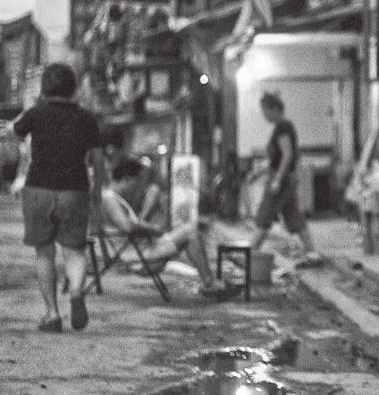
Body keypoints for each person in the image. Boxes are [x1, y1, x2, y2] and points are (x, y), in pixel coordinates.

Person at [11, 63, 106, 333]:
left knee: (44, 253)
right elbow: (98, 161)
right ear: (74, 88)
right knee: (75, 251)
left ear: (44, 88)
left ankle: (52, 314)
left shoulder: (36, 114)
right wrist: (96, 195)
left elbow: (16, 132)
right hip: (74, 190)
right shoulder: (86, 119)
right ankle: (76, 291)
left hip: (39, 189)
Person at [101, 157, 240, 300]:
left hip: (141, 251)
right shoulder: (109, 199)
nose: (136, 187)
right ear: (127, 179)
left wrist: (150, 229)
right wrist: (150, 228)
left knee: (190, 231)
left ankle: (208, 282)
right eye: (135, 183)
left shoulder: (113, 198)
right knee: (191, 232)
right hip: (137, 258)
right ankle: (209, 283)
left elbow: (129, 225)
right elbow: (127, 226)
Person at [249, 92, 323, 267]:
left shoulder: (283, 127)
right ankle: (312, 253)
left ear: (274, 109)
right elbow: (278, 159)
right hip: (285, 178)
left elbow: (287, 155)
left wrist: (277, 180)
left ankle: (250, 256)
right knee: (293, 216)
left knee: (264, 217)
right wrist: (259, 173)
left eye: (265, 111)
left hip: (281, 181)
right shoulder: (282, 127)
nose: (264, 116)